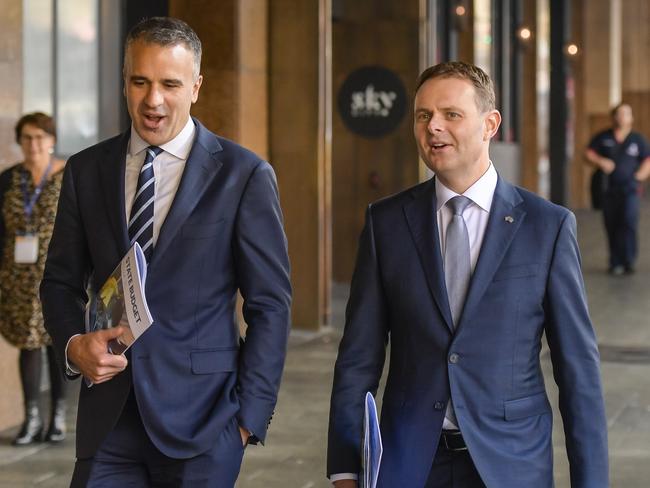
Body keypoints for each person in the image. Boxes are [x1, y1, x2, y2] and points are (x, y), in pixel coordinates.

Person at [327, 62, 608, 488]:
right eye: (423, 116)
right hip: (409, 462)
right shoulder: (387, 223)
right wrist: (346, 466)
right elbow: (358, 357)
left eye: (450, 114)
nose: (433, 127)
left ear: (489, 124)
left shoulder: (546, 226)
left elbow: (577, 370)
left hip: (509, 462)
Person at [40, 17, 291, 487]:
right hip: (108, 421)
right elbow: (59, 282)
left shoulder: (242, 175)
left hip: (204, 425)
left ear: (196, 86)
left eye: (170, 84)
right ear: (124, 82)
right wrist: (75, 345)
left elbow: (270, 305)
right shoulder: (85, 170)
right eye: (140, 82)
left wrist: (246, 421)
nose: (153, 100)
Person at [0, 112, 68, 446]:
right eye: (27, 137)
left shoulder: (69, 175)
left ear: (52, 140)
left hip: (59, 276)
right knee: (27, 345)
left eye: (40, 137)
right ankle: (31, 418)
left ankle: (57, 416)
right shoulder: (9, 179)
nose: (33, 144)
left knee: (58, 345)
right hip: (17, 279)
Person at [584, 103, 650, 275]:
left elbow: (647, 159)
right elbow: (588, 153)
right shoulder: (603, 137)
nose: (622, 117)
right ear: (613, 117)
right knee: (611, 224)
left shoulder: (638, 139)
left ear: (631, 118)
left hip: (630, 189)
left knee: (628, 221)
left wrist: (641, 175)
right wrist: (601, 161)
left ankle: (628, 260)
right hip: (608, 190)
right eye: (619, 114)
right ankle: (615, 262)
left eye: (626, 114)